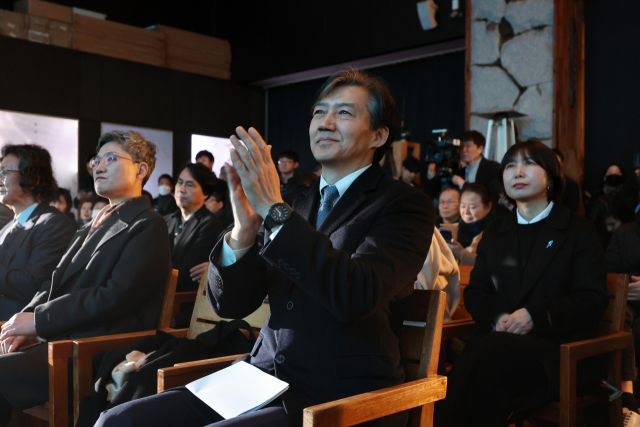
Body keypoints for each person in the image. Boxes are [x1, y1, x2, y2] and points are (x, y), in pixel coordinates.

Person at [94, 68, 435, 427]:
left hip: (337, 395)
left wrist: (275, 211)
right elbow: (232, 304)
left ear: (378, 134)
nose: (325, 122)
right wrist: (243, 230)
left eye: (344, 113)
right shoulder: (295, 201)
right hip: (259, 379)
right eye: (319, 112)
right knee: (118, 420)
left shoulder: (403, 205)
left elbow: (356, 294)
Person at [0, 131, 172, 426]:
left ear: (141, 170)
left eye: (111, 158)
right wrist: (26, 317)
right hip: (65, 336)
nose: (99, 167)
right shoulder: (96, 221)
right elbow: (53, 283)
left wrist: (41, 321)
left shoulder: (148, 224)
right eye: (97, 160)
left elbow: (114, 296)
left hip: (95, 347)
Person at [435, 140, 609, 426]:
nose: (517, 172)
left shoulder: (578, 230)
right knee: (493, 380)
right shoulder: (495, 231)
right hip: (499, 352)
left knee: (489, 356)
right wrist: (499, 316)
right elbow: (477, 291)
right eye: (510, 165)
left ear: (551, 175)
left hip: (558, 353)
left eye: (529, 163)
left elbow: (591, 300)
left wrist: (533, 317)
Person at [0, 144, 76, 320]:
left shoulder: (55, 224)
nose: (0, 178)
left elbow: (32, 284)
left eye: (5, 172)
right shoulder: (6, 228)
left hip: (17, 328)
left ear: (32, 178)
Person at [164, 163, 223, 292]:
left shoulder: (210, 225)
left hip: (182, 298)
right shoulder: (167, 220)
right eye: (180, 182)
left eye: (189, 185)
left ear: (205, 193)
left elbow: (187, 271)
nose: (181, 189)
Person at [606, 211, 640, 415]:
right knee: (619, 321)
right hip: (627, 301)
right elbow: (609, 272)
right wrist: (626, 285)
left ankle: (628, 399)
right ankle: (626, 397)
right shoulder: (624, 232)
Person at [448, 183, 493, 266]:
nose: (466, 212)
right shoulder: (454, 229)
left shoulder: (493, 233)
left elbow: (493, 265)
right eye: (463, 205)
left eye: (472, 207)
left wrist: (462, 254)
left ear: (488, 207)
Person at [451, 131, 501, 199]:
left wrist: (463, 184)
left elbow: (491, 193)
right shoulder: (459, 172)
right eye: (461, 146)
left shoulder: (493, 168)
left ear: (480, 149)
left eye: (468, 146)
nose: (464, 150)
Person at [551, 148, 581, 213]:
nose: (554, 166)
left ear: (561, 164)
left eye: (557, 163)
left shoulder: (572, 185)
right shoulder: (540, 183)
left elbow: (572, 212)